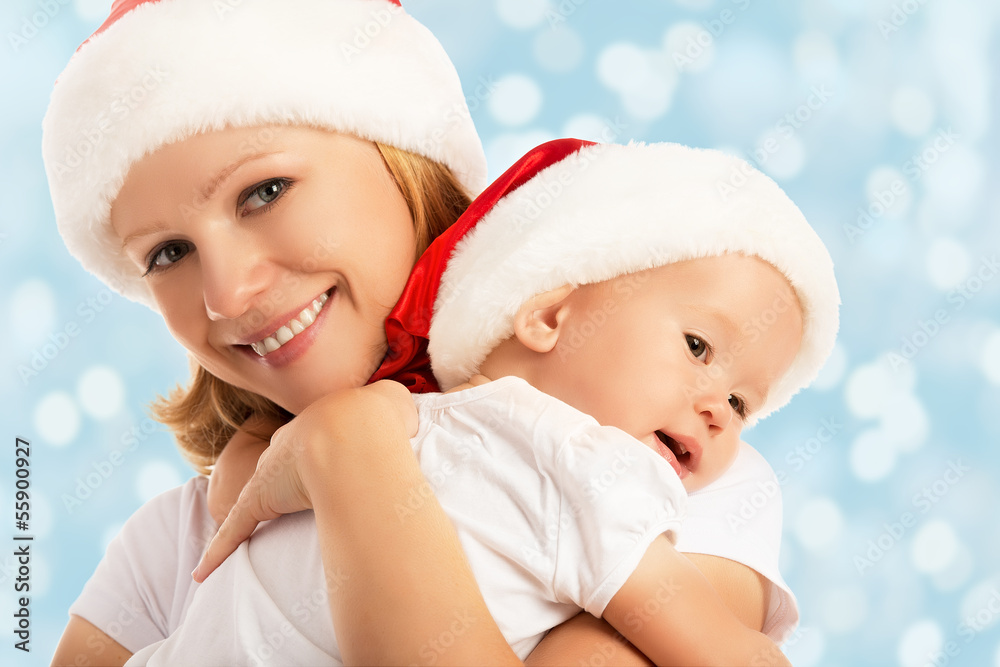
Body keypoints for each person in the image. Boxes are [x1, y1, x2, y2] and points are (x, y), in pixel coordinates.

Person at [42, 1, 808, 664]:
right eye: (168, 254)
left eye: (264, 191)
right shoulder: (171, 545)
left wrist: (349, 450)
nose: (225, 292)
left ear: (408, 155)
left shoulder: (662, 467)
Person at [160, 139, 839, 666]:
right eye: (697, 346)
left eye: (743, 403)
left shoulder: (409, 423)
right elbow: (716, 648)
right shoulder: (579, 467)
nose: (720, 409)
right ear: (546, 316)